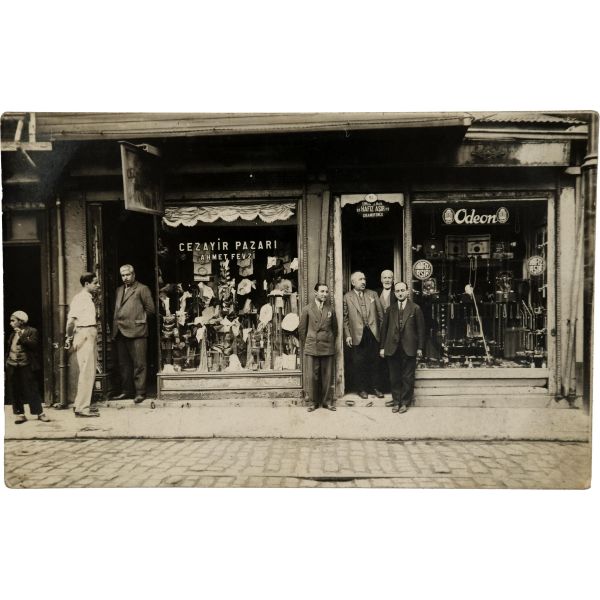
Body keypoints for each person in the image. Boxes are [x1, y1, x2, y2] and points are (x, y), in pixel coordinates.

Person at [112, 264, 155, 403]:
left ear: (134, 275)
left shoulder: (142, 289)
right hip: (120, 331)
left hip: (137, 331)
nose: (125, 277)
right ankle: (127, 391)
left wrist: (139, 321)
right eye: (123, 275)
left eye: (128, 274)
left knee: (139, 364)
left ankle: (140, 392)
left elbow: (151, 310)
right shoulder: (119, 290)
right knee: (124, 364)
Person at [379, 281, 425, 413]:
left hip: (409, 347)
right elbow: (384, 330)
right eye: (397, 291)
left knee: (407, 377)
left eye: (402, 290)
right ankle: (396, 402)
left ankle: (404, 402)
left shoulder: (415, 308)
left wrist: (420, 348)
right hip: (392, 347)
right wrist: (382, 347)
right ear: (395, 293)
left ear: (407, 291)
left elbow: (421, 330)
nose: (400, 293)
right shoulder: (390, 309)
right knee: (394, 377)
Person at [343, 271, 384, 400]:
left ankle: (376, 388)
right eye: (360, 279)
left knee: (375, 362)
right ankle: (362, 389)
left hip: (373, 333)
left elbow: (381, 315)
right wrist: (348, 335)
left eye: (364, 279)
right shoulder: (347, 297)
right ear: (353, 282)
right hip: (357, 334)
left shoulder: (373, 294)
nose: (363, 282)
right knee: (359, 363)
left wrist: (381, 334)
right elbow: (345, 318)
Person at [65, 273, 101, 417]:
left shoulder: (87, 298)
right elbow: (70, 322)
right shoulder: (80, 299)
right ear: (86, 284)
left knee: (87, 371)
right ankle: (82, 409)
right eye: (95, 283)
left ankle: (79, 404)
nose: (98, 285)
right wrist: (69, 337)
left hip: (88, 333)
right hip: (85, 333)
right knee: (87, 372)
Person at [5, 311, 50, 424]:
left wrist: (21, 335)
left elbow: (33, 345)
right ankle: (20, 414)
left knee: (31, 388)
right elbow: (9, 348)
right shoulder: (12, 334)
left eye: (13, 320)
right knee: (15, 389)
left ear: (21, 321)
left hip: (27, 364)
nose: (11, 323)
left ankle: (39, 413)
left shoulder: (32, 331)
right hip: (12, 364)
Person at [299, 283, 338, 412]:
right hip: (313, 346)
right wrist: (309, 342)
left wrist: (329, 339)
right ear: (315, 292)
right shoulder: (307, 309)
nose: (324, 294)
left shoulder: (330, 309)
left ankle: (327, 402)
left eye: (326, 292)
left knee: (327, 376)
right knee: (312, 377)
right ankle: (312, 402)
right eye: (322, 291)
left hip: (327, 346)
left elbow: (335, 329)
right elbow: (302, 330)